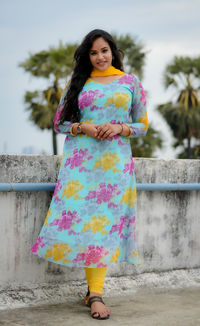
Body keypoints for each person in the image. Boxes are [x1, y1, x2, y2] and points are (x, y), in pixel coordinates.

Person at [30, 29, 148, 320]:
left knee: (103, 228)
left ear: (113, 51)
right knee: (84, 225)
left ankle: (95, 293)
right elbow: (59, 124)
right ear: (87, 56)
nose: (100, 57)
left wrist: (120, 128)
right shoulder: (78, 83)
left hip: (114, 167)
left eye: (104, 50)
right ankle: (93, 293)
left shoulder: (130, 82)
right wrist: (84, 127)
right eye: (93, 52)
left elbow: (142, 125)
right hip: (81, 167)